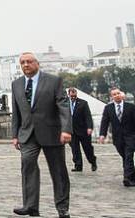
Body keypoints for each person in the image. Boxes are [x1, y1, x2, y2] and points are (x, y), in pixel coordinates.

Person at [11, 52, 71, 217]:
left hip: (52, 133)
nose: (25, 65)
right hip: (27, 134)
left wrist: (66, 129)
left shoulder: (53, 81)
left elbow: (63, 106)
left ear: (37, 63)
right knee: (27, 165)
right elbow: (16, 112)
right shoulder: (16, 84)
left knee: (58, 171)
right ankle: (30, 206)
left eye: (29, 62)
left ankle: (62, 207)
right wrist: (14, 135)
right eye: (22, 62)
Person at [97, 87, 135, 187]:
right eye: (114, 94)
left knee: (129, 156)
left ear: (121, 94)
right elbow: (104, 122)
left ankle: (127, 178)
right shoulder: (108, 108)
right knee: (125, 157)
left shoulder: (130, 107)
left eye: (118, 93)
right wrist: (102, 135)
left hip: (130, 136)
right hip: (118, 138)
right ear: (111, 97)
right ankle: (132, 175)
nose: (117, 95)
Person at [66, 87, 96, 172]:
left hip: (83, 130)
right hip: (71, 131)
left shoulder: (83, 103)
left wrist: (89, 127)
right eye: (71, 96)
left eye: (74, 96)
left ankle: (92, 161)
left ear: (76, 94)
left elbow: (88, 116)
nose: (73, 97)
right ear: (68, 95)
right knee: (75, 149)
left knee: (87, 148)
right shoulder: (65, 103)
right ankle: (78, 166)